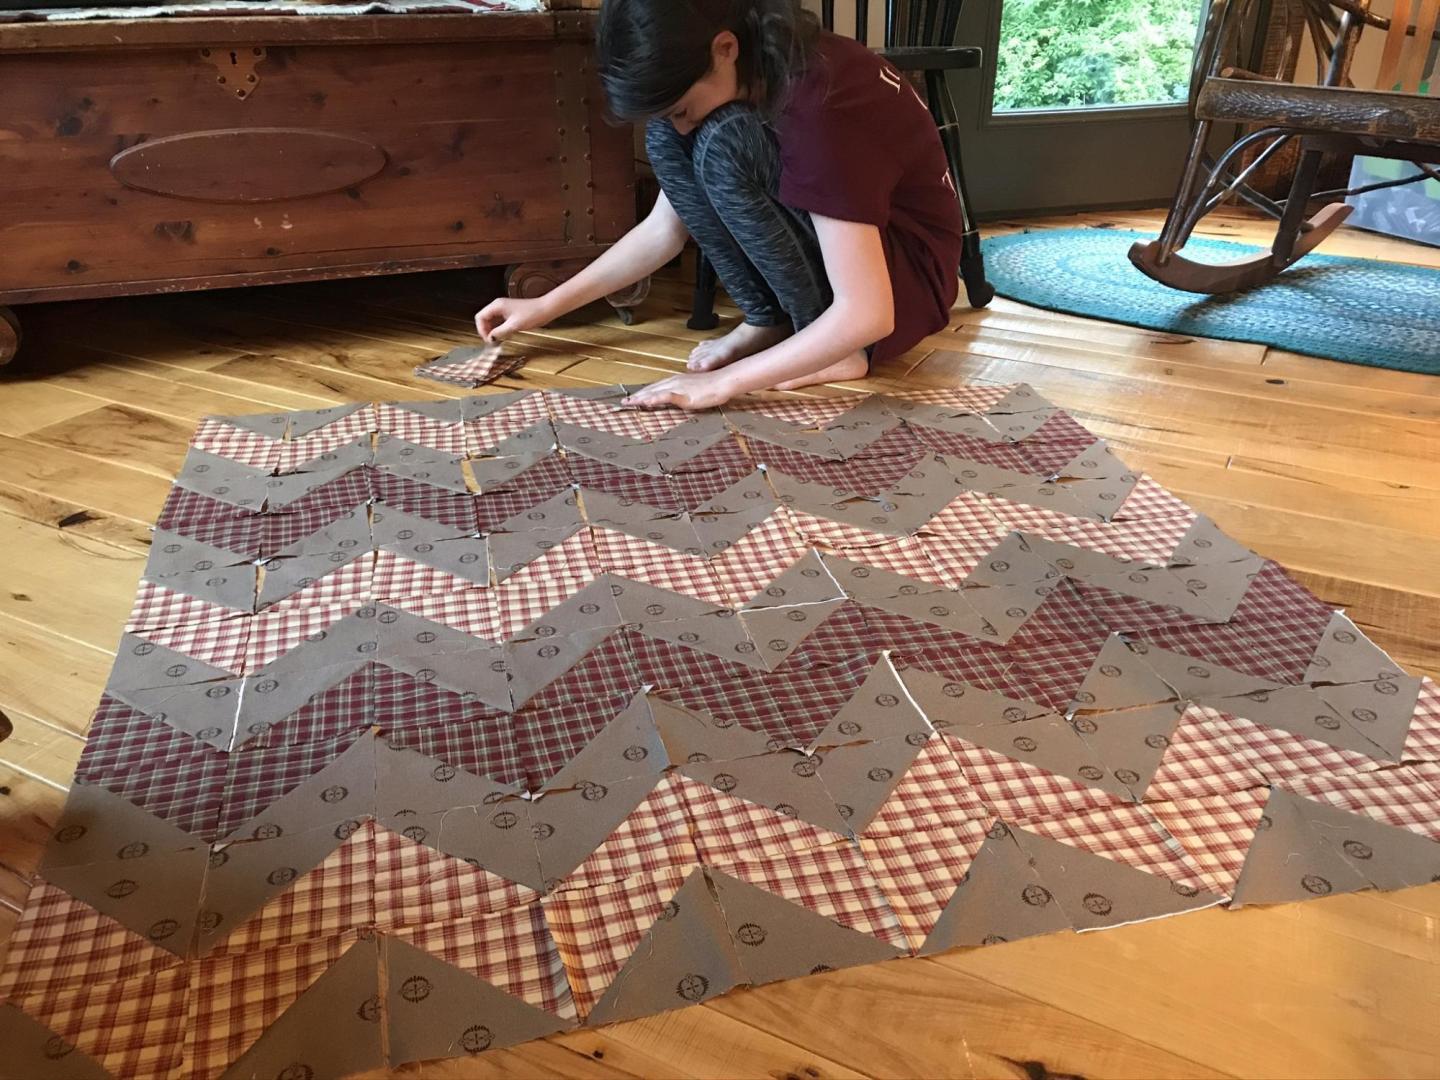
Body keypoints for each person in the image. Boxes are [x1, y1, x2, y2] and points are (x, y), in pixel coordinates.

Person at [474, 0, 964, 410]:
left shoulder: (818, 105)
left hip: (901, 285)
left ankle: (836, 347)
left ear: (725, 49)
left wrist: (722, 383)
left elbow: (869, 311)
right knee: (667, 137)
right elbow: (665, 229)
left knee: (725, 141)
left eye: (684, 107)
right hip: (861, 272)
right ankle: (771, 321)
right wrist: (546, 304)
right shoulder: (754, 68)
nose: (685, 126)